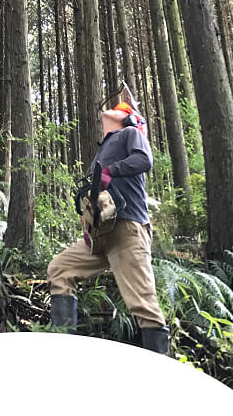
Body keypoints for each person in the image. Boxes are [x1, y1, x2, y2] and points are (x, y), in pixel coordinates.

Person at [47, 85, 170, 354]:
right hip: (100, 237)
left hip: (127, 230)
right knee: (60, 269)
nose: (112, 109)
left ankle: (162, 378)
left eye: (121, 110)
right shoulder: (102, 149)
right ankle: (62, 350)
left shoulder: (129, 134)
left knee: (144, 306)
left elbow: (143, 160)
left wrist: (111, 171)